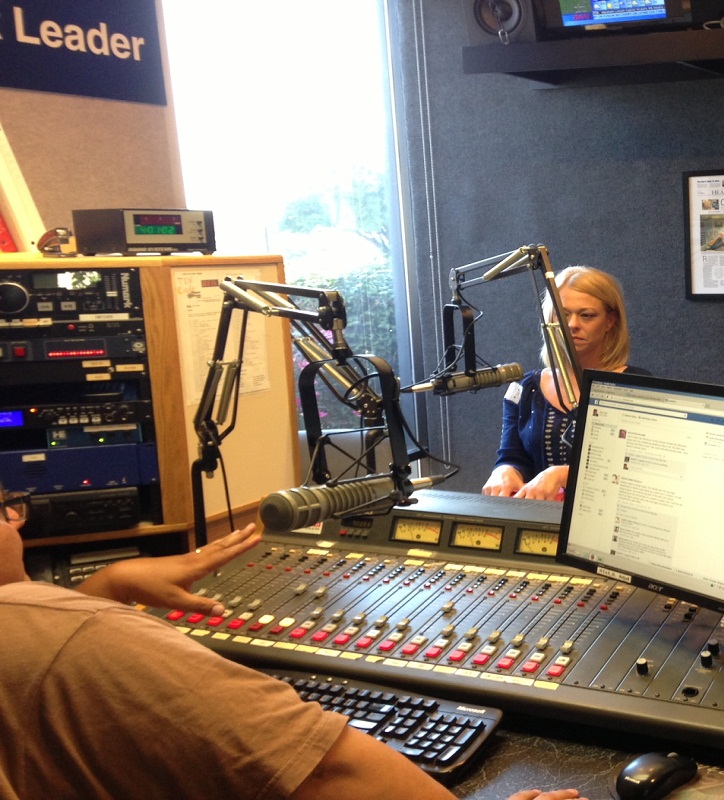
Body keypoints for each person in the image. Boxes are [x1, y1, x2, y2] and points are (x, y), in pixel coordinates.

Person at [0, 483, 585, 800]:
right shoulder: (84, 635)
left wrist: (100, 590)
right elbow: (329, 771)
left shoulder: (57, 627)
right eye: (4, 509)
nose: (15, 520)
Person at [482, 266, 647, 501]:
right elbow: (512, 457)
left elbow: (639, 468)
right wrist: (504, 471)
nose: (572, 324)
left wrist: (562, 474)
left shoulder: (636, 386)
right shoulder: (526, 387)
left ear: (611, 320)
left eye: (586, 315)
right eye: (563, 314)